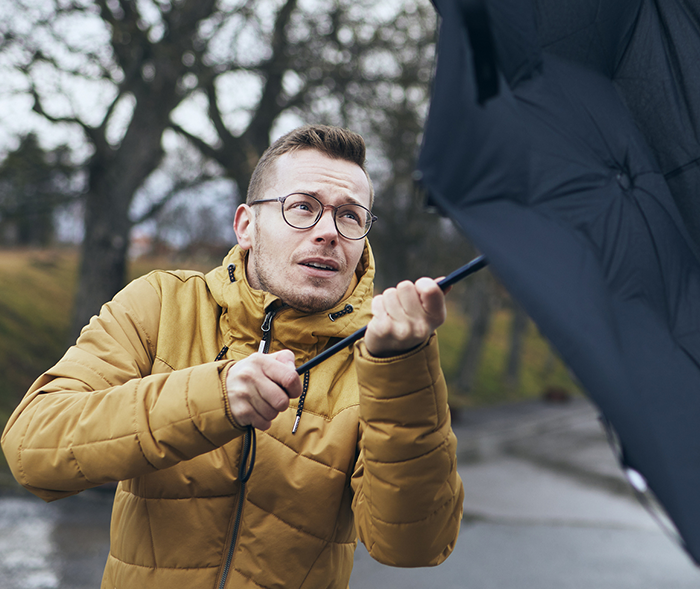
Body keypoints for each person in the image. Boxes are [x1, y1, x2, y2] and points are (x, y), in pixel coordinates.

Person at [1, 125, 464, 589]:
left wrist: (403, 372)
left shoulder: (383, 360)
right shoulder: (162, 305)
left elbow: (414, 546)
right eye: (303, 207)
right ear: (247, 225)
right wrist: (215, 396)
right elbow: (32, 449)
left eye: (349, 216)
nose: (328, 232)